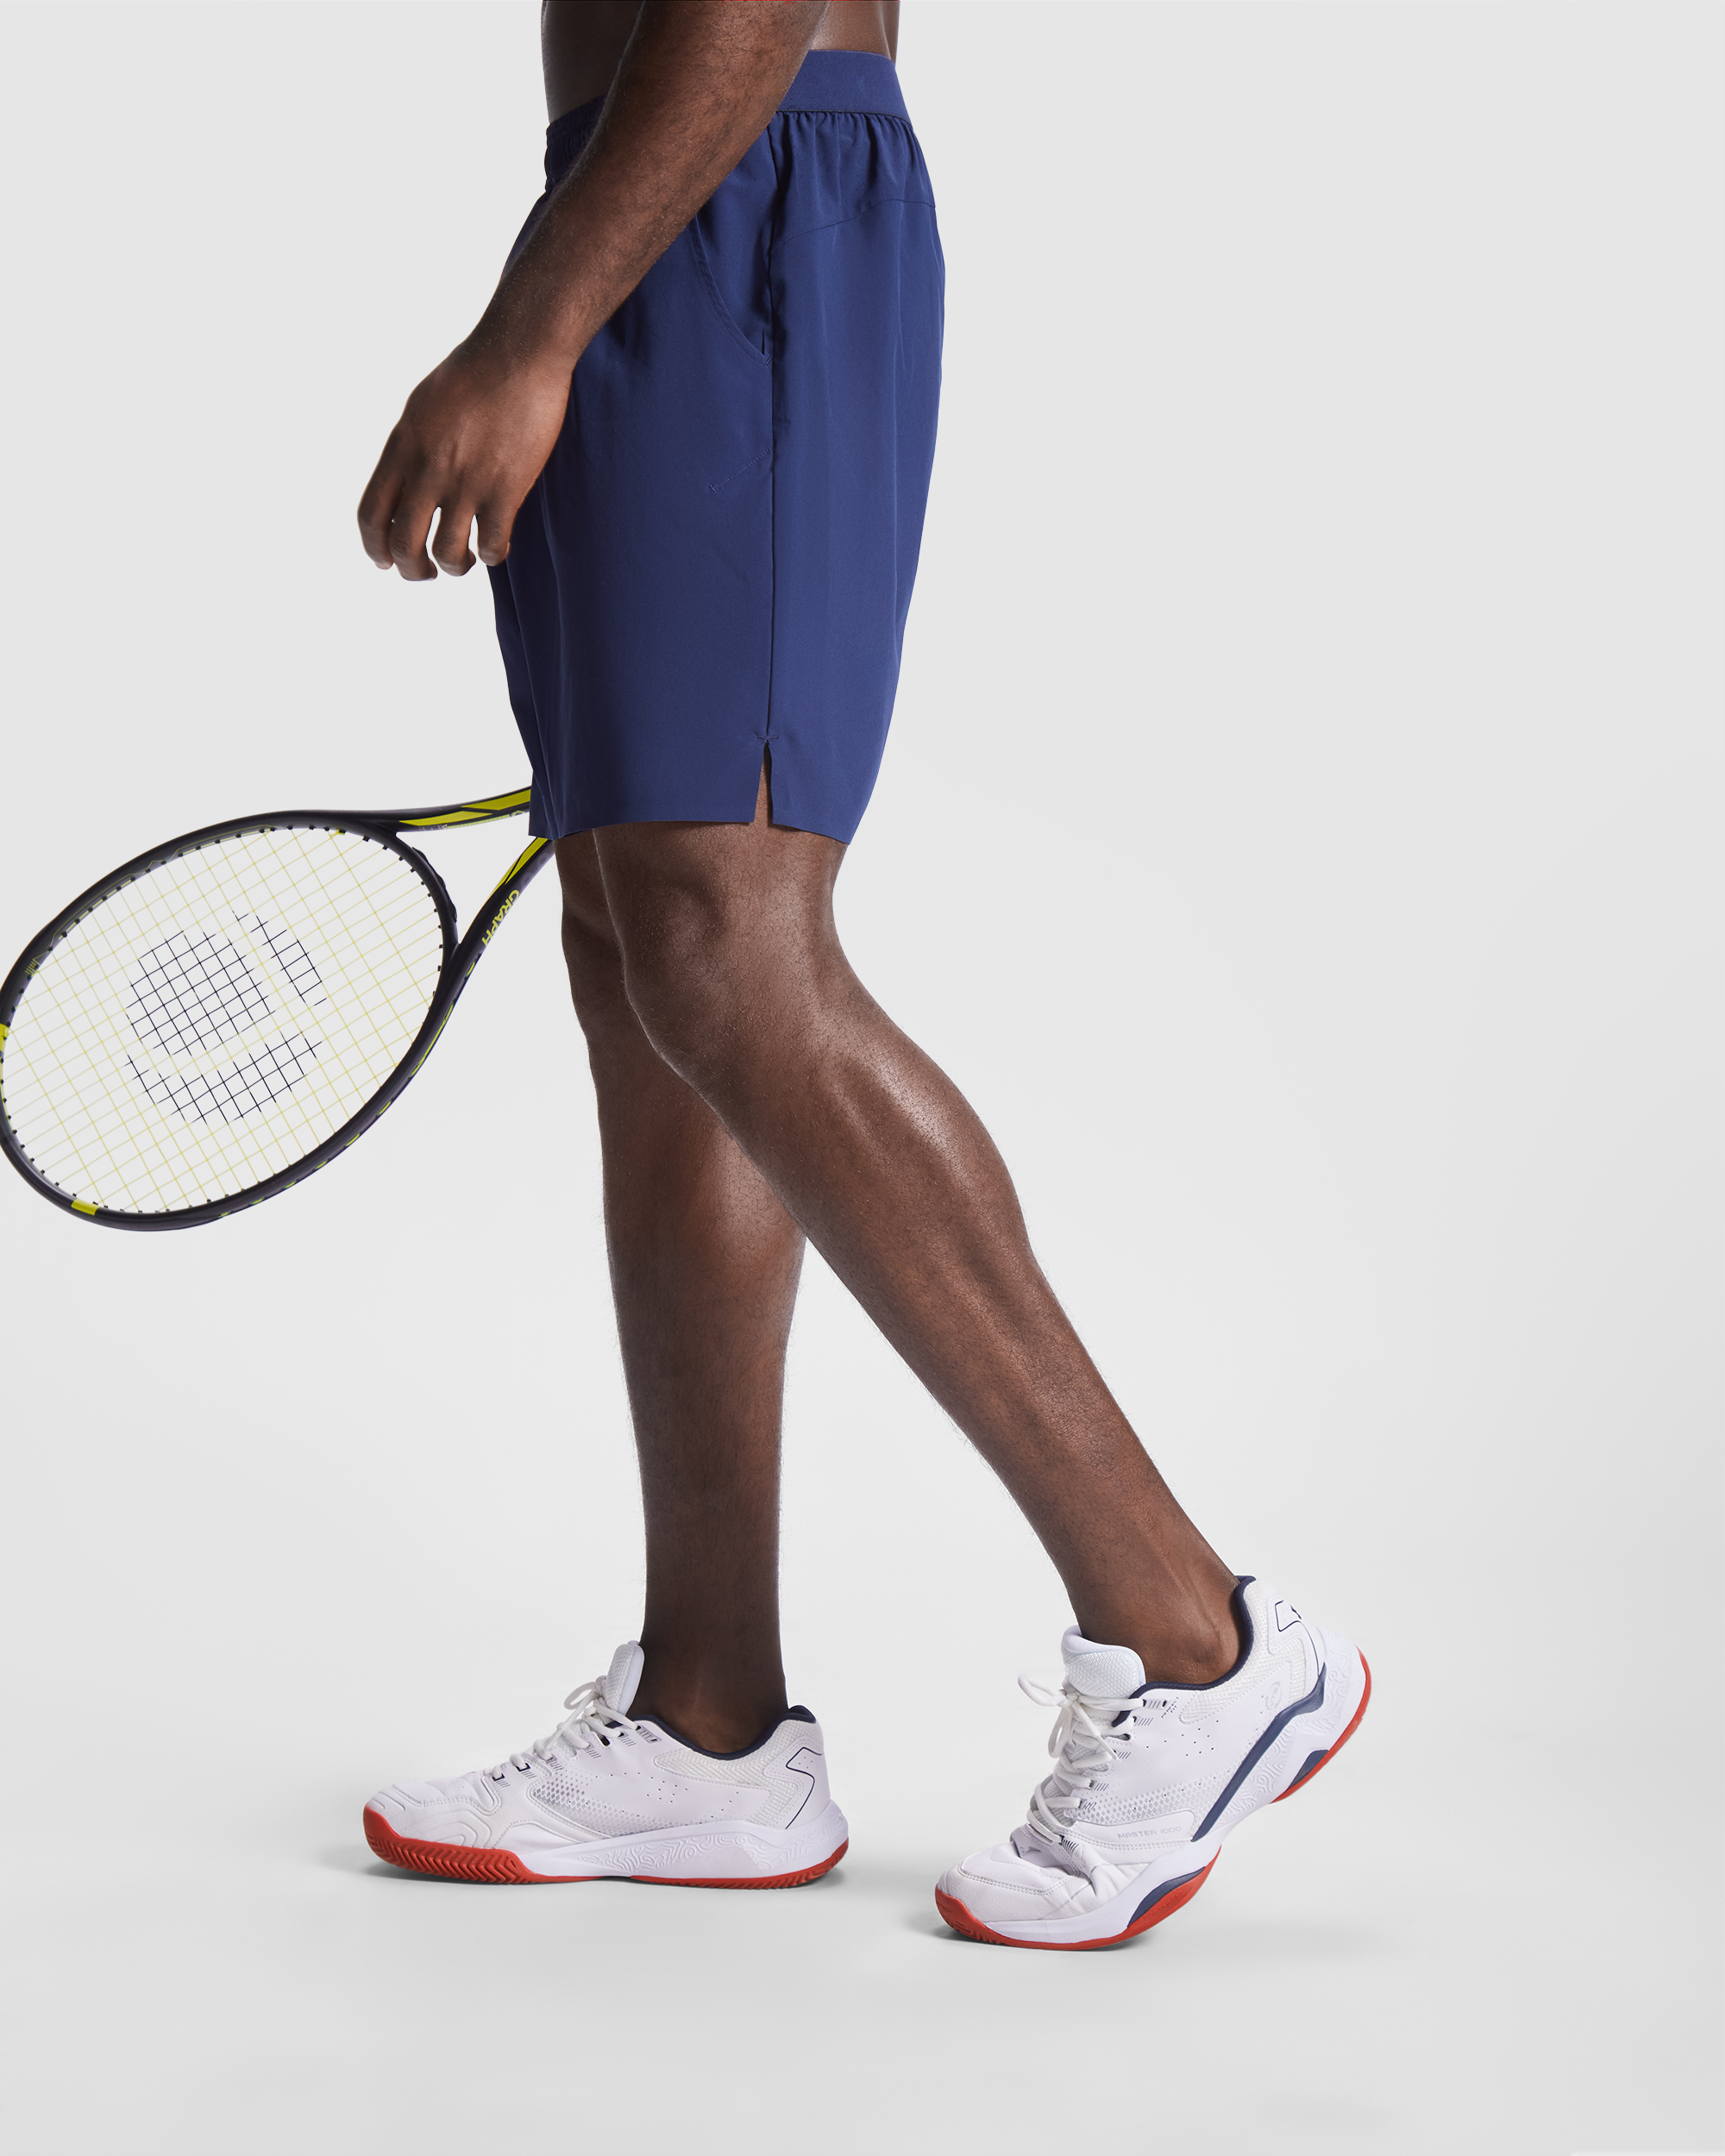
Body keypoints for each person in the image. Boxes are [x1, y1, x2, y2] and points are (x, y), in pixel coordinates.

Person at [354, 0, 1368, 1950]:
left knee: (729, 946)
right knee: (644, 953)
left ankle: (1198, 1641)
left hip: (731, 184)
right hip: (645, 195)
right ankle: (708, 1726)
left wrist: (534, 334)